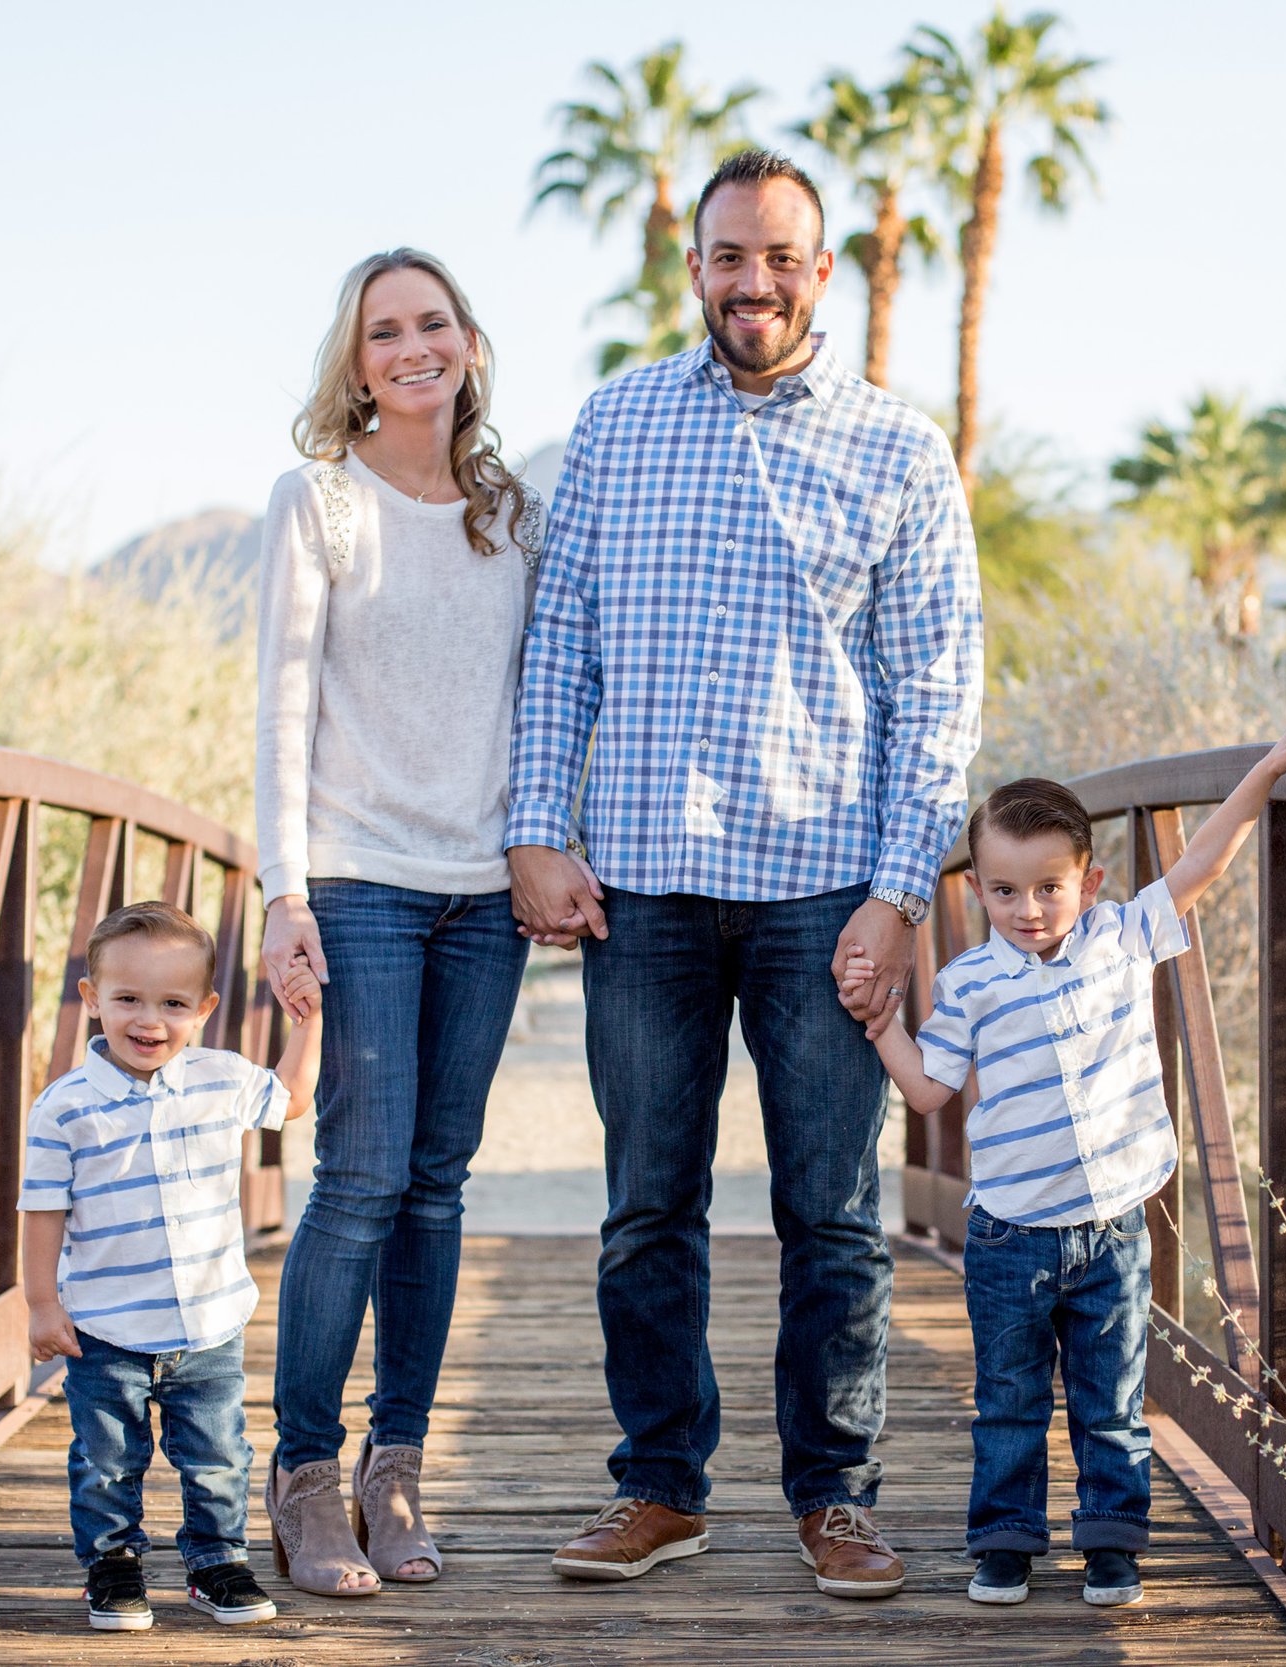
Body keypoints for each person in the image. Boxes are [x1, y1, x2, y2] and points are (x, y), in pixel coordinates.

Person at [506, 147, 983, 1600]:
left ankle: (836, 1496)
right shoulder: (617, 420)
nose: (752, 280)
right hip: (644, 882)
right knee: (646, 1203)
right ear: (695, 266)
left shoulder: (899, 449)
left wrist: (898, 892)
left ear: (822, 271)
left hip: (824, 889)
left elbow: (939, 691)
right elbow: (563, 639)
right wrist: (538, 824)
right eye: (729, 255)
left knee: (830, 1210)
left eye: (780, 257)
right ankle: (660, 1485)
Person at [840, 719, 1286, 1609]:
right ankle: (1004, 1544)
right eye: (1003, 890)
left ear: (1090, 882)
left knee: (1112, 1402)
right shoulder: (969, 982)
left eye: (1049, 887)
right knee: (1010, 1402)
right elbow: (926, 1090)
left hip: (1112, 1227)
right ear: (978, 887)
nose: (1026, 909)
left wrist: (1268, 769)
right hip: (1009, 1237)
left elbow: (1203, 861)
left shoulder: (1122, 934)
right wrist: (883, 1027)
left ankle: (1111, 1543)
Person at [253, 248, 545, 1596]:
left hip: (482, 893)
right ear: (356, 361)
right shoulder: (318, 501)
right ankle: (307, 1475)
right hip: (360, 875)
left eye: (434, 323)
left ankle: (397, 1466)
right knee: (361, 1175)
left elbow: (546, 694)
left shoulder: (511, 513)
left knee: (436, 1181)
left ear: (469, 343)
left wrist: (548, 842)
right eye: (385, 330)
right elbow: (280, 707)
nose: (413, 346)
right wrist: (284, 891)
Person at [21, 901, 325, 1632]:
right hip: (106, 1327)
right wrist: (40, 1304)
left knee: (219, 1456)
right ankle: (113, 1565)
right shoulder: (64, 1109)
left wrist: (309, 1022)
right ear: (92, 997)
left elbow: (291, 1100)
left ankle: (217, 1562)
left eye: (173, 1004)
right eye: (127, 998)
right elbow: (42, 1210)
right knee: (107, 1460)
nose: (149, 1020)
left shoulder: (221, 1078)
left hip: (209, 1323)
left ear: (204, 1008)